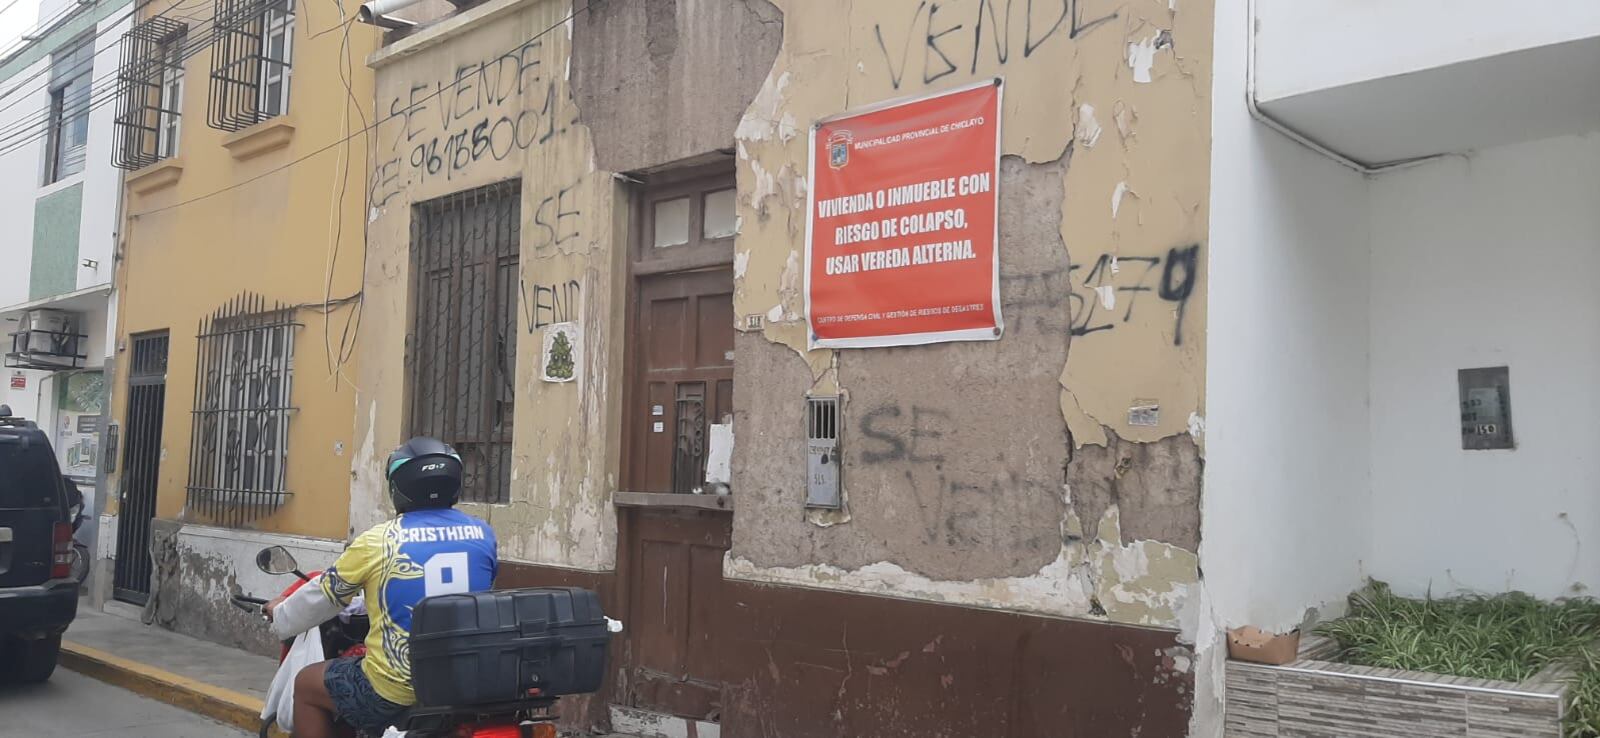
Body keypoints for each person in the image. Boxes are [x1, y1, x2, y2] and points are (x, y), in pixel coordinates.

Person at [265, 437, 498, 737]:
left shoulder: (379, 540)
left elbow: (323, 596)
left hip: (395, 688)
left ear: (398, 487)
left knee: (307, 683)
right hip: (465, 678)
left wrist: (281, 614)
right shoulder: (484, 534)